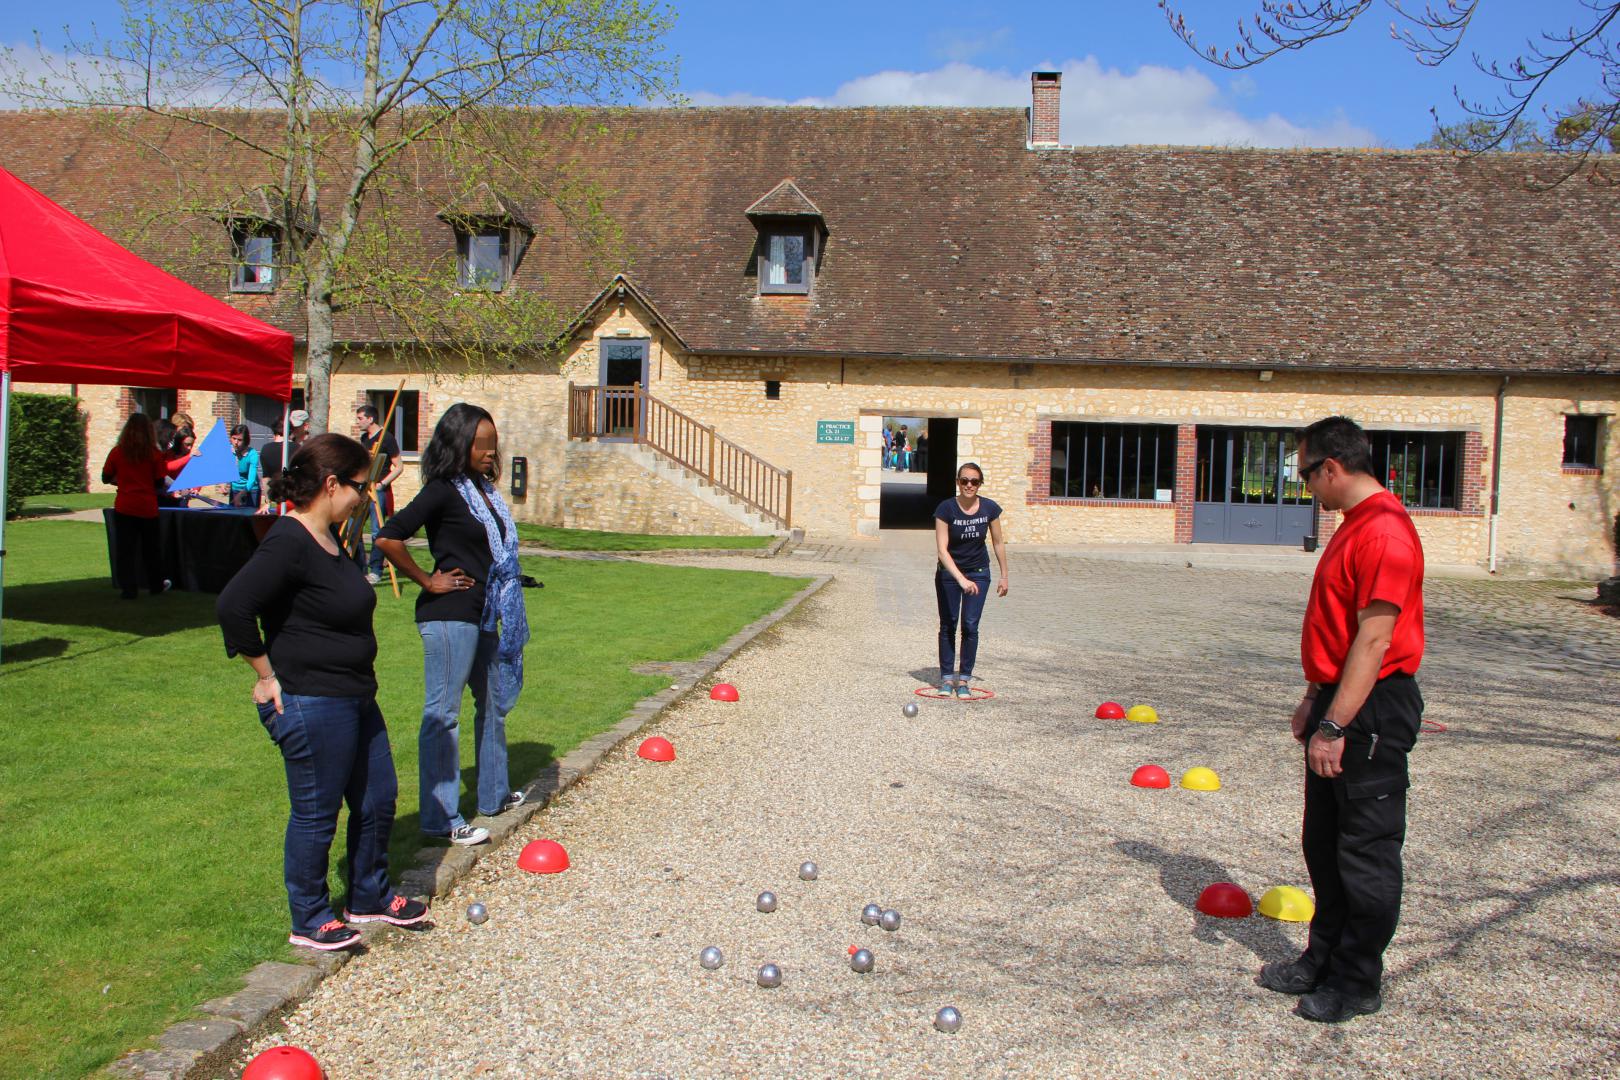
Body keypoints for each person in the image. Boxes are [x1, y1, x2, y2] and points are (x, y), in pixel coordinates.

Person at [216, 433, 429, 951]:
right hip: (311, 698)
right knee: (317, 811)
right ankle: (309, 916)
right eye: (359, 486)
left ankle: (369, 895)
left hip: (356, 694)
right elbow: (233, 607)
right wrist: (266, 675)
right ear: (331, 484)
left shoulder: (332, 539)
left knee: (377, 798)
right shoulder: (289, 540)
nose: (364, 496)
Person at [1259, 415, 1426, 1023]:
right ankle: (1323, 957)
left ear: (1331, 467)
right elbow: (1337, 630)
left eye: (1306, 474)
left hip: (1371, 706)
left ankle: (1357, 981)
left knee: (1364, 850)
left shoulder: (1385, 533)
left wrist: (1335, 726)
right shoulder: (1353, 524)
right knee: (1324, 843)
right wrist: (1315, 697)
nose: (1305, 487)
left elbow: (1375, 640)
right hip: (1339, 695)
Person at [375, 404, 528, 847]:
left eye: (493, 444)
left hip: (486, 612)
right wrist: (427, 579)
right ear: (458, 443)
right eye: (481, 444)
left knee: (493, 703)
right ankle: (441, 818)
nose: (490, 452)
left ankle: (494, 795)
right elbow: (387, 536)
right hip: (450, 615)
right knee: (443, 715)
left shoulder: (485, 491)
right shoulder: (442, 491)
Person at [932, 462, 1009, 698]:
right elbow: (942, 551)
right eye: (964, 480)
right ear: (958, 482)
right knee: (949, 624)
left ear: (980, 484)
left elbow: (998, 542)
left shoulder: (989, 508)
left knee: (970, 625)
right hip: (949, 573)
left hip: (978, 571)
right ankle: (947, 678)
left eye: (974, 481)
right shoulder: (945, 509)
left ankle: (964, 679)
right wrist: (961, 579)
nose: (969, 485)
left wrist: (1004, 575)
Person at [101, 413, 172, 599]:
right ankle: (155, 585)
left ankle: (128, 589)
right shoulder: (154, 454)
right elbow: (159, 482)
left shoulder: (117, 452)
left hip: (125, 506)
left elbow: (105, 477)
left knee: (125, 550)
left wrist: (122, 480)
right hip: (147, 507)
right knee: (151, 550)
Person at [355, 403, 403, 584]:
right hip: (363, 489)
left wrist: (383, 484)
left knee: (377, 531)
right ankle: (360, 569)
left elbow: (399, 467)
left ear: (370, 419)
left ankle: (376, 570)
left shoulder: (387, 438)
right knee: (354, 528)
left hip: (378, 490)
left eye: (360, 418)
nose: (358, 422)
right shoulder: (364, 438)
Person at [228, 423, 262, 508]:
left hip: (251, 490)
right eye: (234, 438)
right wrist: (223, 484)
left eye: (240, 440)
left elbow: (251, 480)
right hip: (235, 488)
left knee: (250, 515)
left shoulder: (252, 454)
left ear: (246, 441)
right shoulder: (227, 450)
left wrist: (240, 495)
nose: (236, 442)